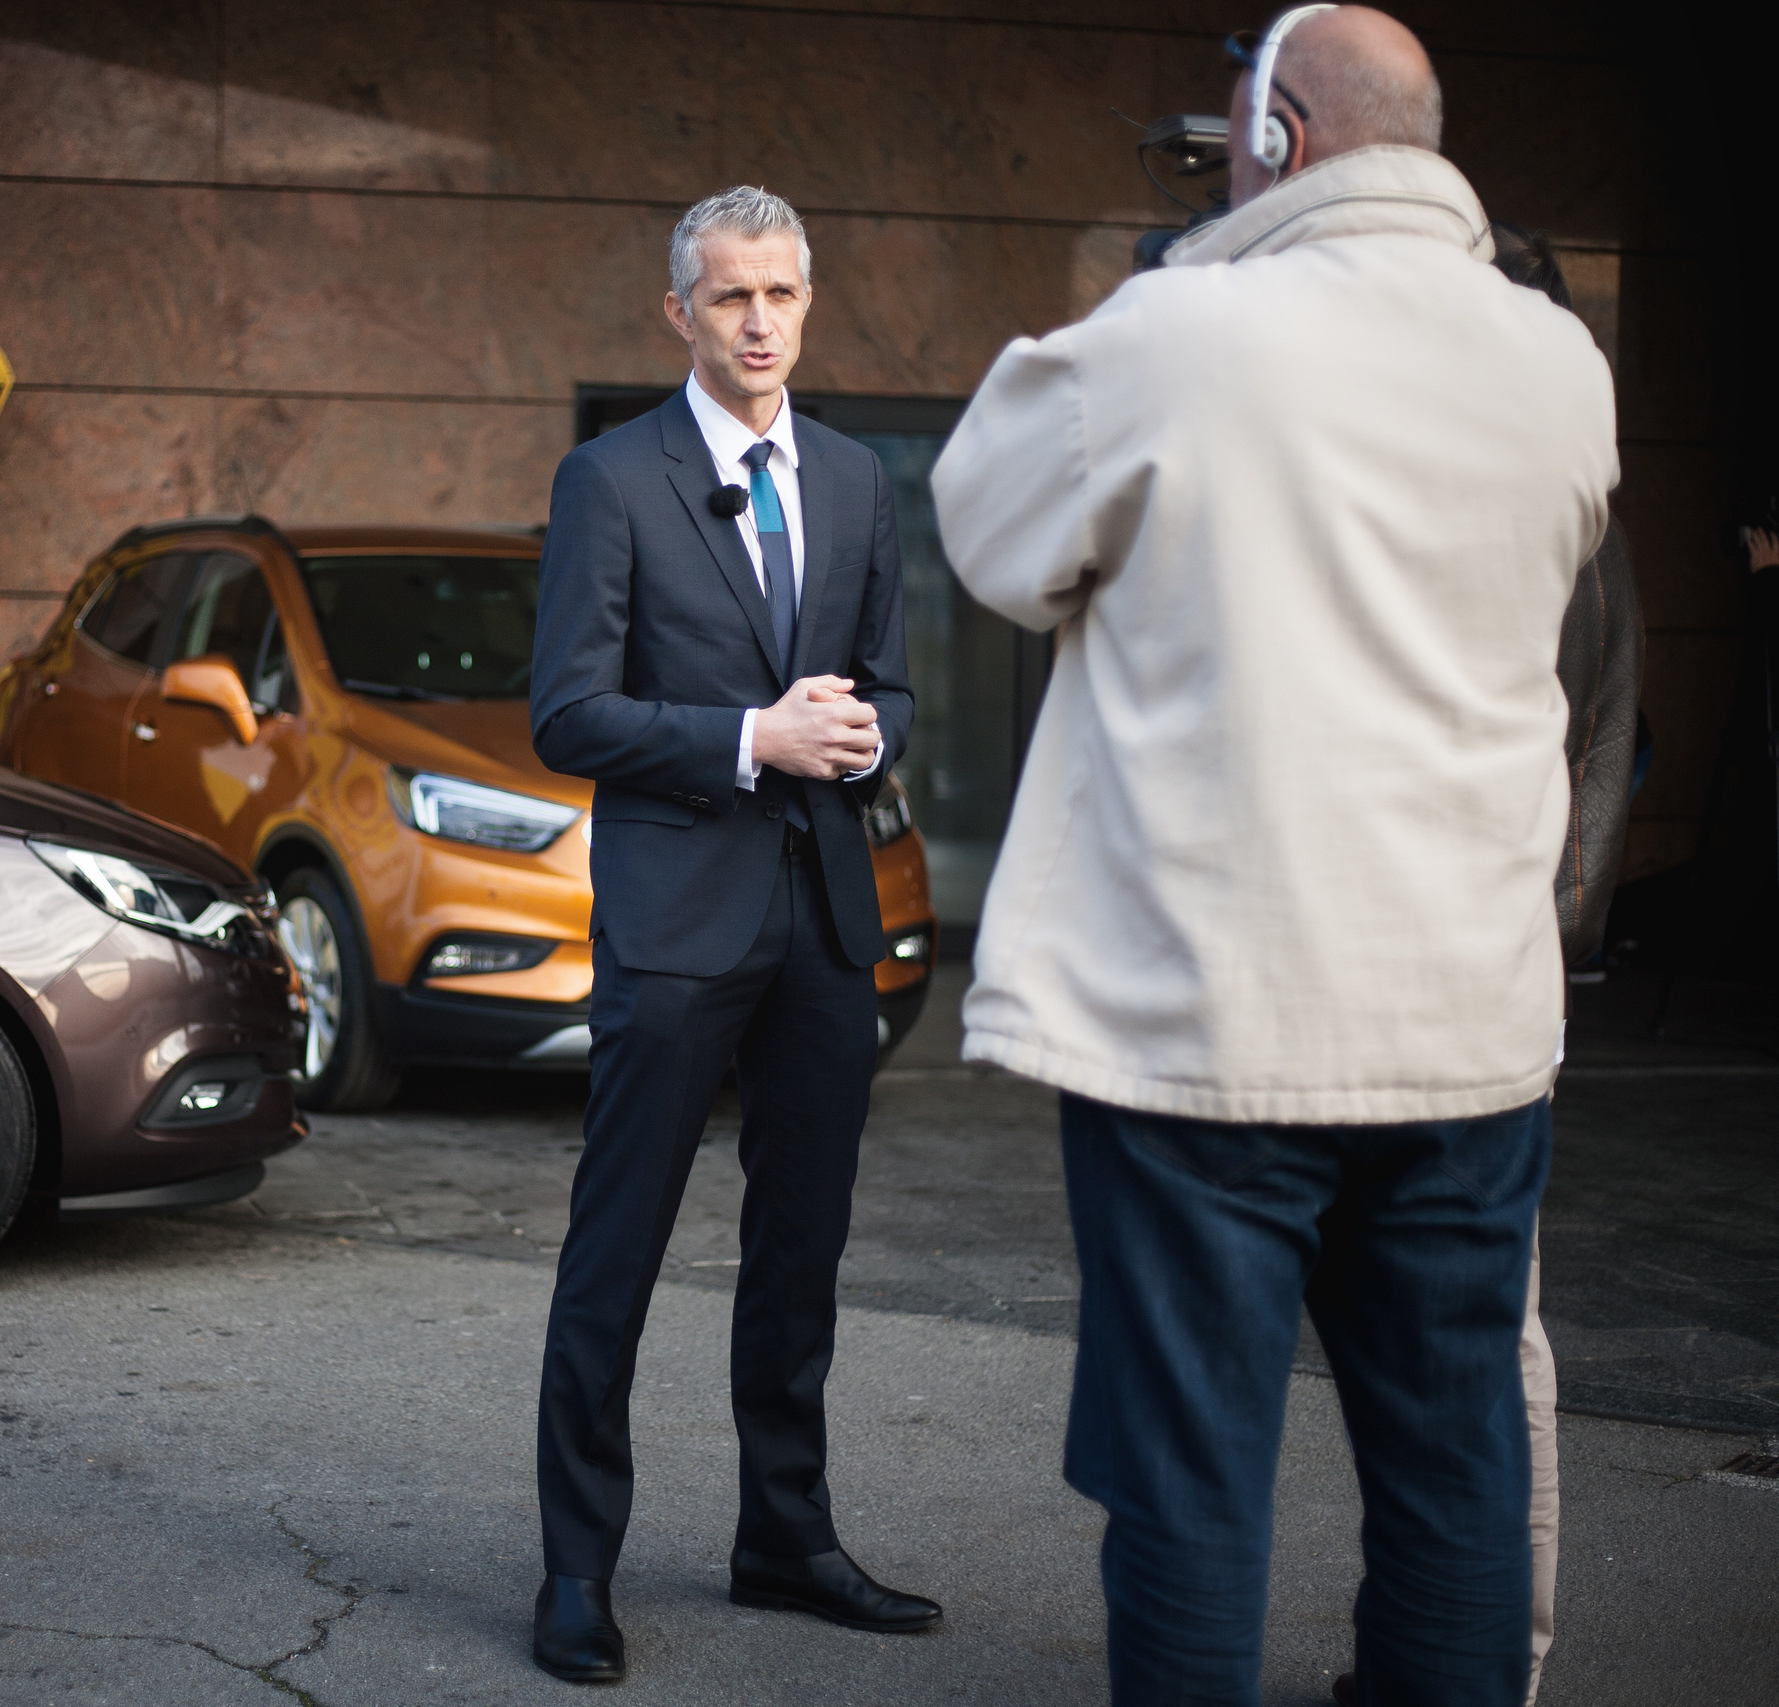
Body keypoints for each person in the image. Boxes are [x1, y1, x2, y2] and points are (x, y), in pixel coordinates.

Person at [930, 8, 1617, 1704]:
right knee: (1457, 1467)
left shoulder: (1181, 333)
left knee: (1191, 1477)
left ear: (1284, 141)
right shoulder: (1561, 364)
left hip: (1211, 1028)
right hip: (1466, 1027)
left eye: (1228, 138)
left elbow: (991, 532)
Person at [525, 184, 933, 1684]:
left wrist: (860, 739)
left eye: (782, 296)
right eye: (732, 297)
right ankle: (579, 1567)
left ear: (805, 305)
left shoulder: (855, 476)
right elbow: (566, 714)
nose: (760, 322)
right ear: (679, 312)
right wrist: (752, 736)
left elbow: (886, 688)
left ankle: (786, 1537)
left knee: (801, 1247)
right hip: (674, 920)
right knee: (616, 1250)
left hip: (825, 918)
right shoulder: (611, 480)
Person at [1326, 223, 1649, 1707]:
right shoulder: (1568, 497)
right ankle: (1444, 1655)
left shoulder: (1528, 510)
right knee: (1452, 1334)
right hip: (1475, 952)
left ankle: (1487, 1663)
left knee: (1474, 1334)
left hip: (1459, 959)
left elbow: (1579, 750)